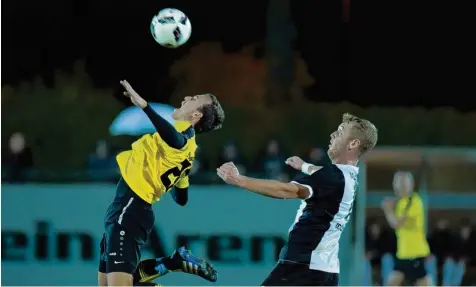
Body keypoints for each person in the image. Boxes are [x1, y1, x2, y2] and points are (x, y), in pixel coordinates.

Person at [216, 113, 378, 286]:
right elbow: (324, 177)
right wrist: (304, 166)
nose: (332, 135)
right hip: (325, 270)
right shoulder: (349, 176)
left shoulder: (332, 176)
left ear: (353, 143)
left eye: (339, 132)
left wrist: (239, 180)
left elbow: (286, 190)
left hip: (303, 267)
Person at [98, 80, 225, 286]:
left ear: (196, 116)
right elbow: (181, 198)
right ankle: (173, 262)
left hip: (129, 209)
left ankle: (172, 264)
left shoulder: (181, 140)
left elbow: (174, 139)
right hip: (129, 209)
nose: (186, 98)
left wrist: (145, 106)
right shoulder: (189, 152)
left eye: (193, 100)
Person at [381, 171, 433, 286]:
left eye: (403, 183)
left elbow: (397, 224)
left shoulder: (414, 201)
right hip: (403, 253)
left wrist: (388, 210)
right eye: (397, 183)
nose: (400, 187)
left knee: (423, 282)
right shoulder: (400, 202)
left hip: (415, 253)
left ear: (411, 185)